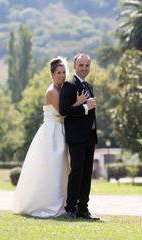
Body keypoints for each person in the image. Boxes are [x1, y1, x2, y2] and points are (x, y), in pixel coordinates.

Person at [12, 57, 87, 218]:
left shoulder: (64, 89)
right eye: (58, 73)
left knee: (62, 169)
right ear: (52, 74)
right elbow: (61, 111)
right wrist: (80, 103)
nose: (61, 75)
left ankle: (65, 203)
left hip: (62, 130)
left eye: (63, 72)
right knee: (52, 167)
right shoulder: (52, 91)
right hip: (52, 132)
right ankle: (48, 203)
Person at [59, 53, 99, 220]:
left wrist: (90, 107)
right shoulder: (69, 84)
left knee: (86, 173)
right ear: (74, 66)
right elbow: (64, 110)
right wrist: (85, 108)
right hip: (76, 137)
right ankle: (70, 208)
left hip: (89, 136)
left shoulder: (88, 85)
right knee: (77, 172)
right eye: (81, 65)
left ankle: (83, 208)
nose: (84, 68)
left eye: (87, 66)